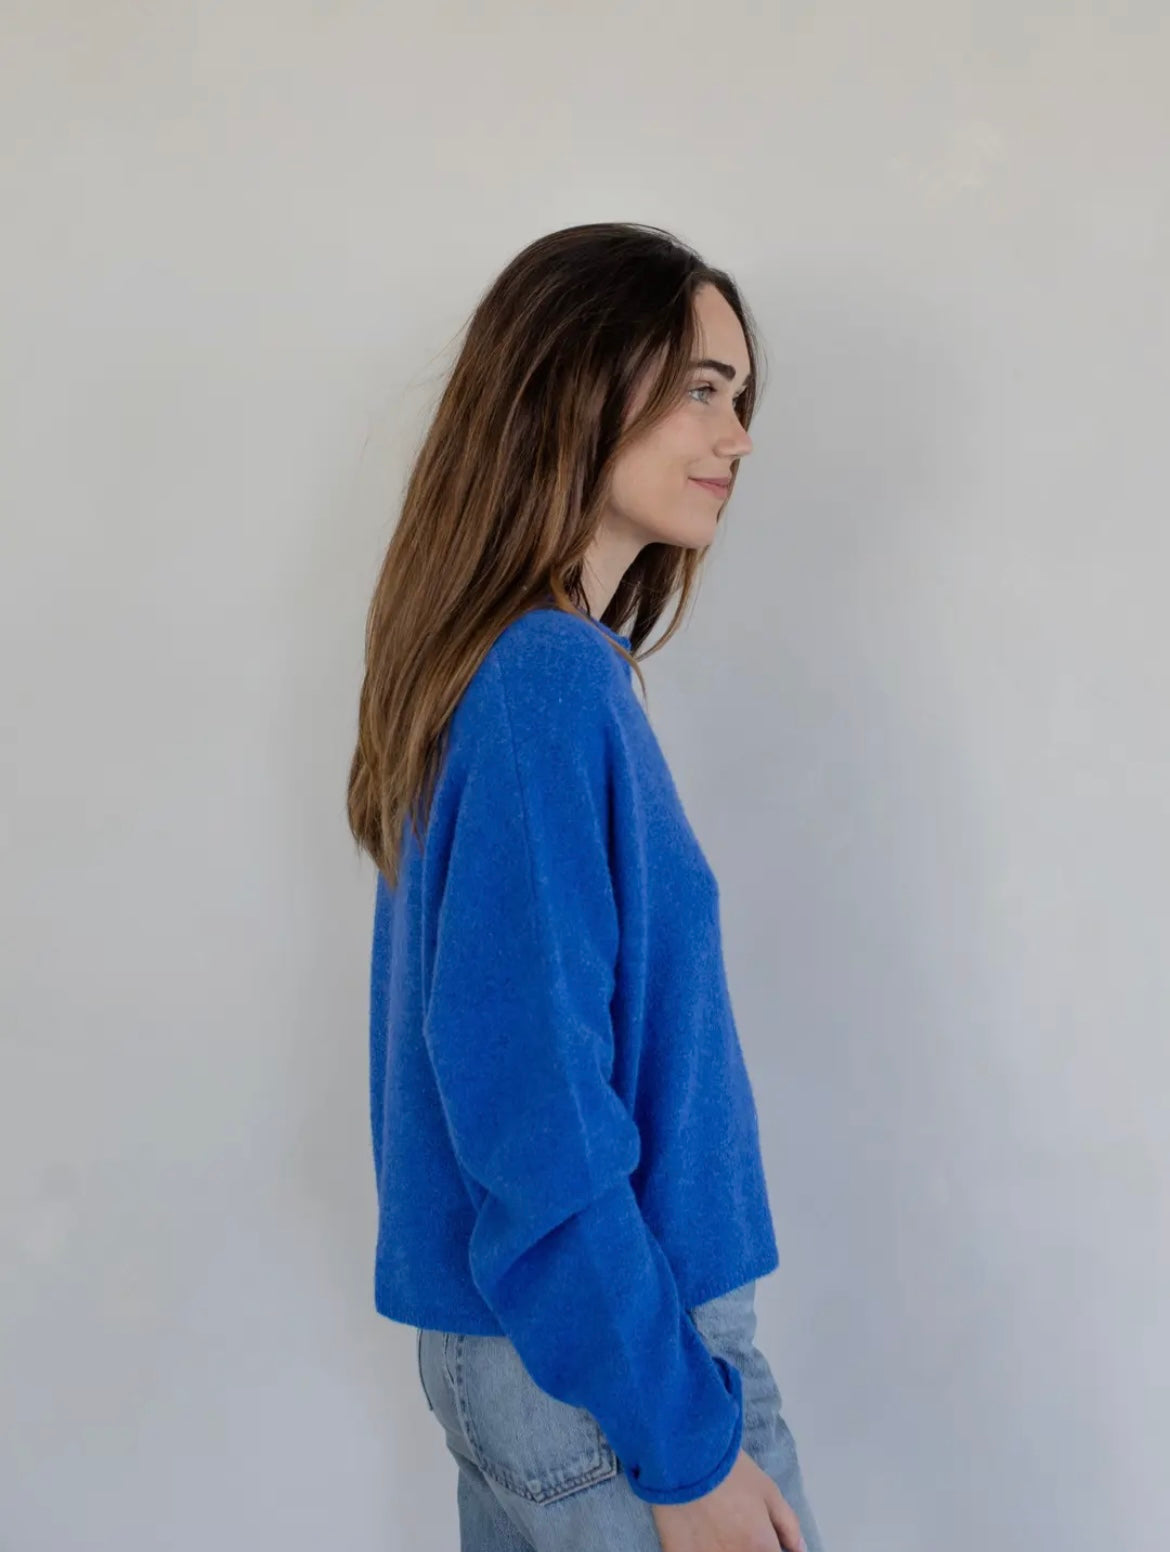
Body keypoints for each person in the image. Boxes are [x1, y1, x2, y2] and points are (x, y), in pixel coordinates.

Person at [346, 222, 826, 1552]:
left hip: (556, 1346)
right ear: (576, 380)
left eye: (739, 397)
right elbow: (533, 1108)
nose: (736, 437)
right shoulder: (543, 683)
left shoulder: (508, 672)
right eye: (700, 389)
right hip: (621, 1358)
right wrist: (683, 1443)